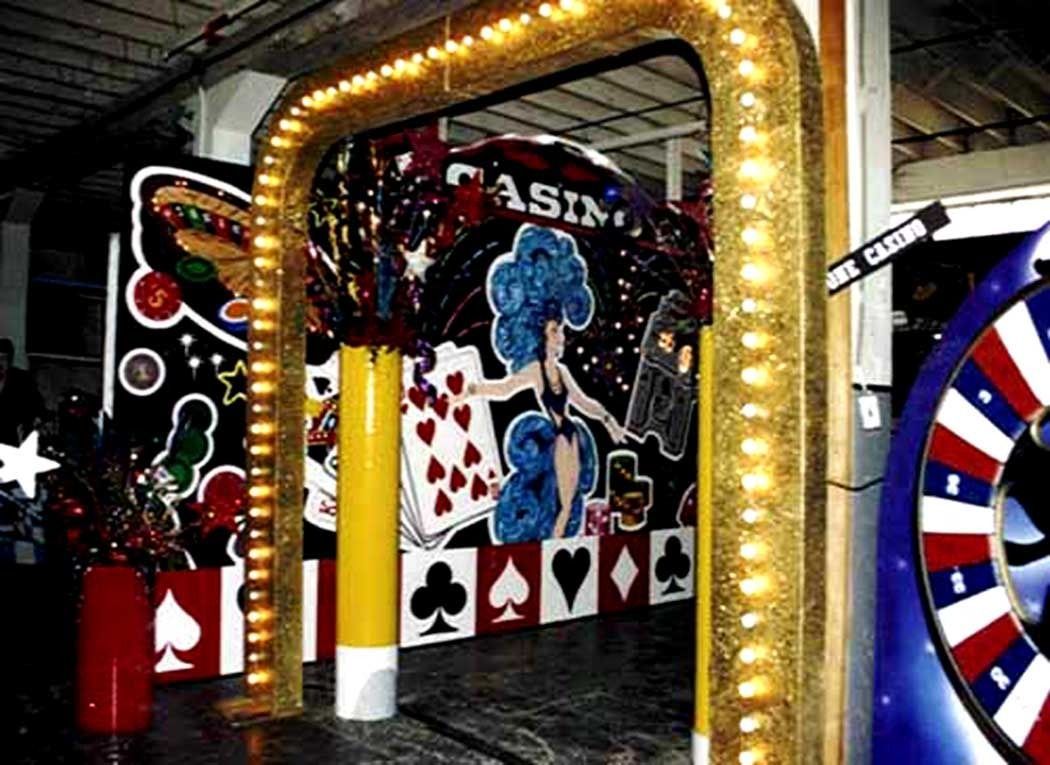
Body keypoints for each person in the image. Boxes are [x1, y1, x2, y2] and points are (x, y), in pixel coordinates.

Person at [460, 225, 625, 542]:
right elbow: (506, 387)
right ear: (539, 335)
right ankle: (550, 547)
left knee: (566, 503)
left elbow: (585, 403)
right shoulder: (535, 370)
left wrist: (610, 422)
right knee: (562, 506)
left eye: (561, 332)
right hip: (558, 440)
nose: (560, 338)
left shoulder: (561, 372)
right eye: (554, 332)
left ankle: (555, 545)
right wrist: (471, 390)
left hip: (571, 437)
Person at [0, 338, 41, 445]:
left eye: (3, 358)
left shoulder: (22, 380)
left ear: (10, 360)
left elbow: (35, 405)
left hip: (12, 435)